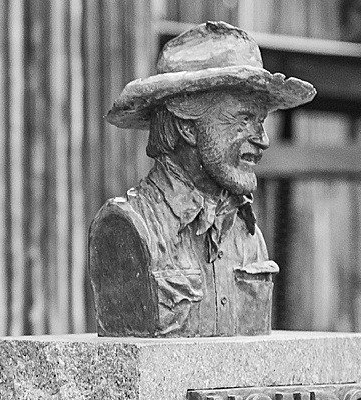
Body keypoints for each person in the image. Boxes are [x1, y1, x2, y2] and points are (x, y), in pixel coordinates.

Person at [89, 22, 313, 338]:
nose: (262, 139)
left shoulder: (247, 237)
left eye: (261, 121)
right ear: (188, 127)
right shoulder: (128, 227)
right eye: (244, 120)